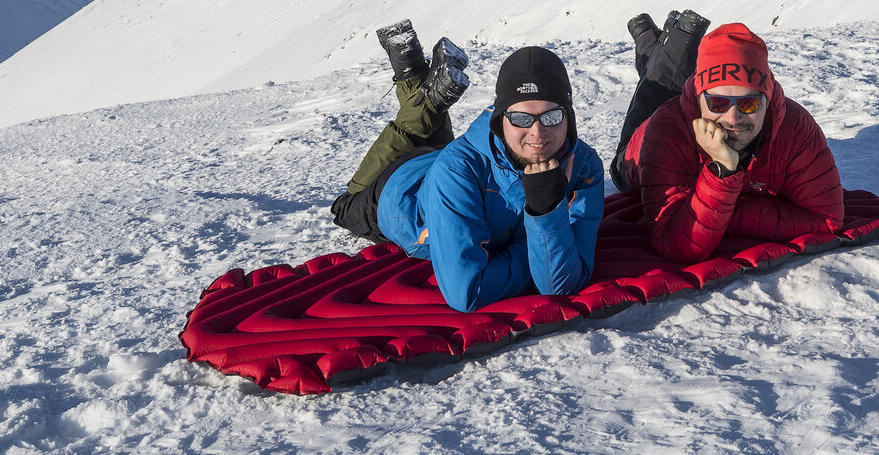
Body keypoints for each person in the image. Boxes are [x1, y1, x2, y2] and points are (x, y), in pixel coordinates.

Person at [330, 20, 605, 312]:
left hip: (447, 160)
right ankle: (423, 92)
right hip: (397, 192)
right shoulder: (456, 171)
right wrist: (538, 241)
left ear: (569, 117)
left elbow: (557, 286)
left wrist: (546, 208)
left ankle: (415, 77)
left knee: (435, 141)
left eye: (551, 117)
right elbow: (467, 293)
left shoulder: (584, 167)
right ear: (500, 118)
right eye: (522, 118)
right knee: (346, 204)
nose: (537, 133)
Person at [613, 16, 844, 264]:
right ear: (699, 98)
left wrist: (723, 208)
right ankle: (658, 40)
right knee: (655, 87)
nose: (733, 118)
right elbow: (678, 244)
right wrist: (722, 172)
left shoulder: (795, 126)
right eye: (718, 102)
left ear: (767, 101)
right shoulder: (666, 129)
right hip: (636, 152)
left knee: (668, 77)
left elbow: (826, 220)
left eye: (748, 103)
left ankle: (659, 40)